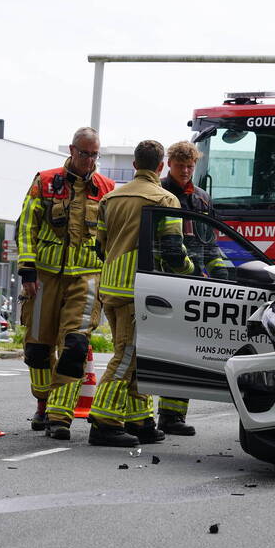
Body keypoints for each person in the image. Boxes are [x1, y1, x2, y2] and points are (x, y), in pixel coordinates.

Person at [86, 140, 194, 446]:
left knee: (138, 355)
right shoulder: (165, 199)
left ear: (135, 164)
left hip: (111, 287)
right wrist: (191, 273)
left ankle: (139, 420)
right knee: (127, 356)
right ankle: (103, 422)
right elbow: (173, 251)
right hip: (143, 289)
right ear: (160, 167)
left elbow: (100, 245)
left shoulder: (110, 198)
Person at [16, 127, 115, 440]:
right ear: (72, 150)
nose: (89, 160)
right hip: (43, 278)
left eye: (94, 154)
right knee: (37, 350)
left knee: (75, 347)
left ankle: (60, 417)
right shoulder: (45, 181)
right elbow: (27, 226)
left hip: (87, 280)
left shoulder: (107, 188)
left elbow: (112, 237)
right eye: (84, 153)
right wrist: (27, 270)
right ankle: (43, 403)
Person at [154, 141, 230, 436]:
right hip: (163, 279)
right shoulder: (160, 193)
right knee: (158, 347)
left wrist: (223, 275)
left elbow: (211, 243)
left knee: (182, 348)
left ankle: (172, 416)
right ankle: (143, 415)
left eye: (190, 166)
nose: (185, 171)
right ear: (169, 164)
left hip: (194, 282)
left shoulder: (202, 199)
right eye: (180, 165)